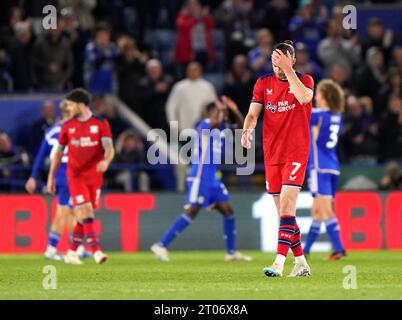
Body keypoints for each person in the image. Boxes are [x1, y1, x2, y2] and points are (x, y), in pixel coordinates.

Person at [242, 40, 313, 277]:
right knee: (284, 214)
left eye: (282, 62)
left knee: (287, 207)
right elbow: (253, 113)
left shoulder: (305, 80)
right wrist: (247, 130)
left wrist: (288, 70)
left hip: (296, 152)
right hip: (272, 154)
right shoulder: (263, 83)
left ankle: (279, 263)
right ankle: (301, 263)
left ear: (292, 60)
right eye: (275, 62)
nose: (278, 67)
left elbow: (304, 98)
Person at [151, 96, 252, 262]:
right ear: (211, 113)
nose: (223, 115)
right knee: (192, 210)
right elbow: (214, 121)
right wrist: (220, 109)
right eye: (219, 112)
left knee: (228, 211)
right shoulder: (203, 124)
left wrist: (234, 110)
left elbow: (243, 128)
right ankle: (161, 245)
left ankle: (231, 252)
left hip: (213, 177)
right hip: (200, 175)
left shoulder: (221, 128)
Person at [47, 88, 115, 265]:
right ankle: (96, 250)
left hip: (94, 177)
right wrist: (51, 177)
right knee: (86, 210)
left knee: (83, 216)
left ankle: (71, 252)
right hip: (75, 176)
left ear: (80, 105)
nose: (68, 108)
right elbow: (58, 154)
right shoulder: (67, 126)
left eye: (70, 105)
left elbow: (109, 149)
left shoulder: (101, 123)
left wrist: (106, 162)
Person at [25, 100, 89, 260]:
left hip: (61, 175)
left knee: (75, 211)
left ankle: (77, 247)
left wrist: (33, 176)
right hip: (69, 175)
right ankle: (51, 249)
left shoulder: (51, 131)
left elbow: (40, 156)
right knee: (64, 213)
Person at [303, 79, 347, 260]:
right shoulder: (336, 116)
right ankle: (305, 251)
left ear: (325, 96)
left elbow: (300, 112)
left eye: (318, 94)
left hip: (318, 167)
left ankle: (339, 249)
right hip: (332, 166)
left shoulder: (318, 115)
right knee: (317, 212)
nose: (315, 98)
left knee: (326, 210)